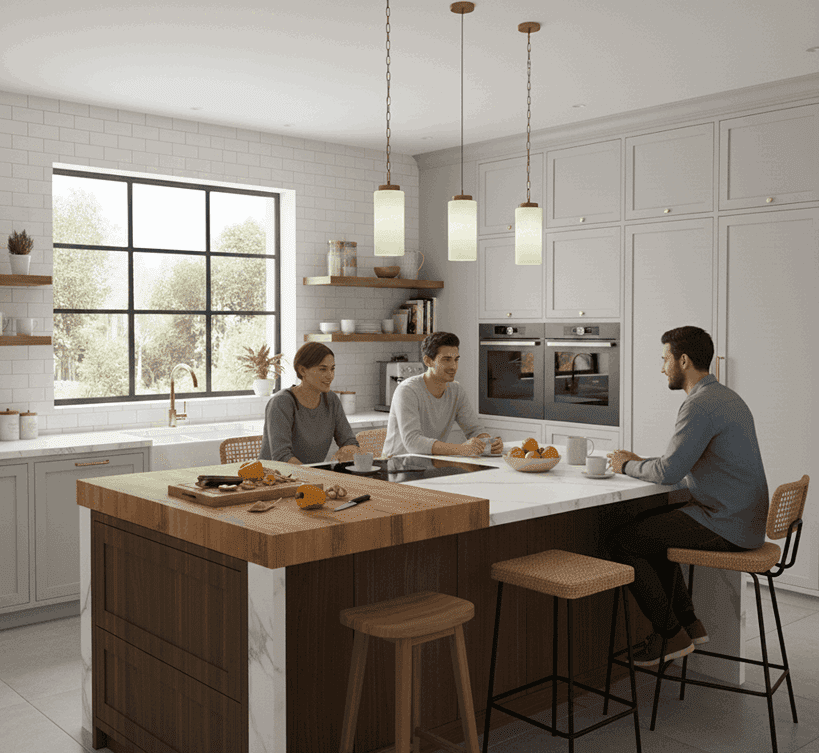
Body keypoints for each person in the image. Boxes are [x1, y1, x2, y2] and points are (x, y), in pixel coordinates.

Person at [605, 325, 769, 666]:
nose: (662, 367)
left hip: (727, 523)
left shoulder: (700, 405)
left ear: (683, 360)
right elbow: (676, 464)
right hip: (742, 520)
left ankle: (670, 634)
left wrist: (624, 466)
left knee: (623, 540)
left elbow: (667, 473)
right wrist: (641, 463)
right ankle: (689, 624)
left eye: (665, 359)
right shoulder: (726, 397)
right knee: (649, 532)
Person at [382, 332, 504, 458]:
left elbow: (474, 430)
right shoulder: (407, 390)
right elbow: (413, 442)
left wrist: (489, 442)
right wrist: (461, 449)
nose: (453, 366)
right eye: (446, 360)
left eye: (456, 359)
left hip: (430, 465)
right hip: (397, 466)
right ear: (428, 361)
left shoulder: (456, 390)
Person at [259, 342, 360, 465]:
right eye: (323, 369)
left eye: (332, 369)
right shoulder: (281, 402)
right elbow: (282, 457)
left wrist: (348, 450)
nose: (330, 376)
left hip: (308, 477)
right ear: (302, 370)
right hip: (275, 479)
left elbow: (350, 441)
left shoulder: (331, 400)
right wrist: (316, 477)